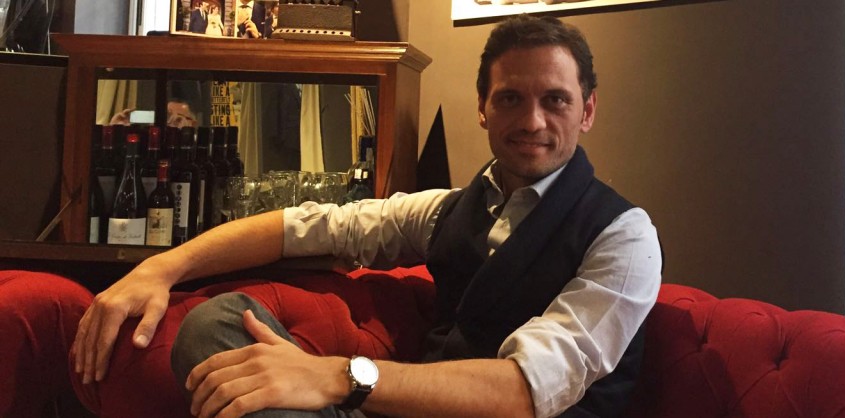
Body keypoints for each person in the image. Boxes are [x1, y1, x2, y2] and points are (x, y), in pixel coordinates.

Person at [71, 14, 661, 418]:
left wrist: (335, 376)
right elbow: (307, 226)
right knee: (216, 324)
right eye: (510, 98)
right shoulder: (450, 208)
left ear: (586, 111)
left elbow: (524, 391)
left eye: (555, 100)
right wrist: (162, 268)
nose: (532, 121)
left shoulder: (623, 236)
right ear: (483, 108)